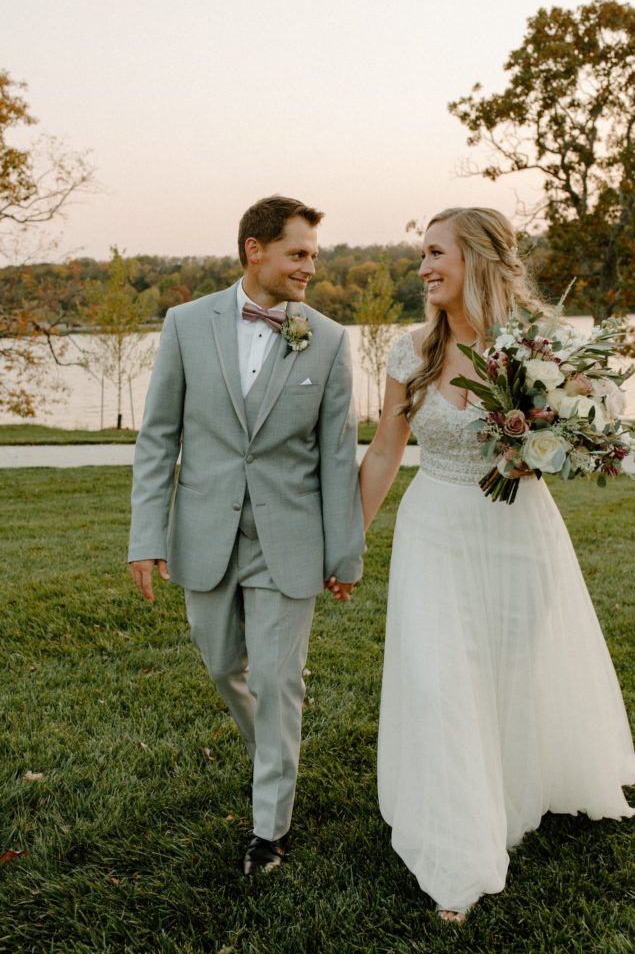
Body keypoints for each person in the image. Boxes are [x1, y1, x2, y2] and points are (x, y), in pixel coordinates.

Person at [359, 207, 635, 921]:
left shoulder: (539, 349)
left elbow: (581, 430)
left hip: (519, 530)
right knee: (439, 678)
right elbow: (386, 452)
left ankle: (506, 795)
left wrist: (561, 434)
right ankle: (456, 850)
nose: (421, 269)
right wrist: (351, 537)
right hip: (435, 530)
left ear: (477, 258)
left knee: (508, 670)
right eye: (420, 255)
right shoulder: (408, 350)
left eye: (433, 253)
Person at [128, 194, 364, 874]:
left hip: (287, 540)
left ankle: (270, 829)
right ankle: (274, 754)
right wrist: (147, 534)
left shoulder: (326, 337)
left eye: (314, 257)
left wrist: (342, 551)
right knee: (221, 665)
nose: (309, 269)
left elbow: (334, 454)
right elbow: (158, 439)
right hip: (204, 532)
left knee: (279, 678)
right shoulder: (184, 323)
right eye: (298, 254)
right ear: (253, 250)